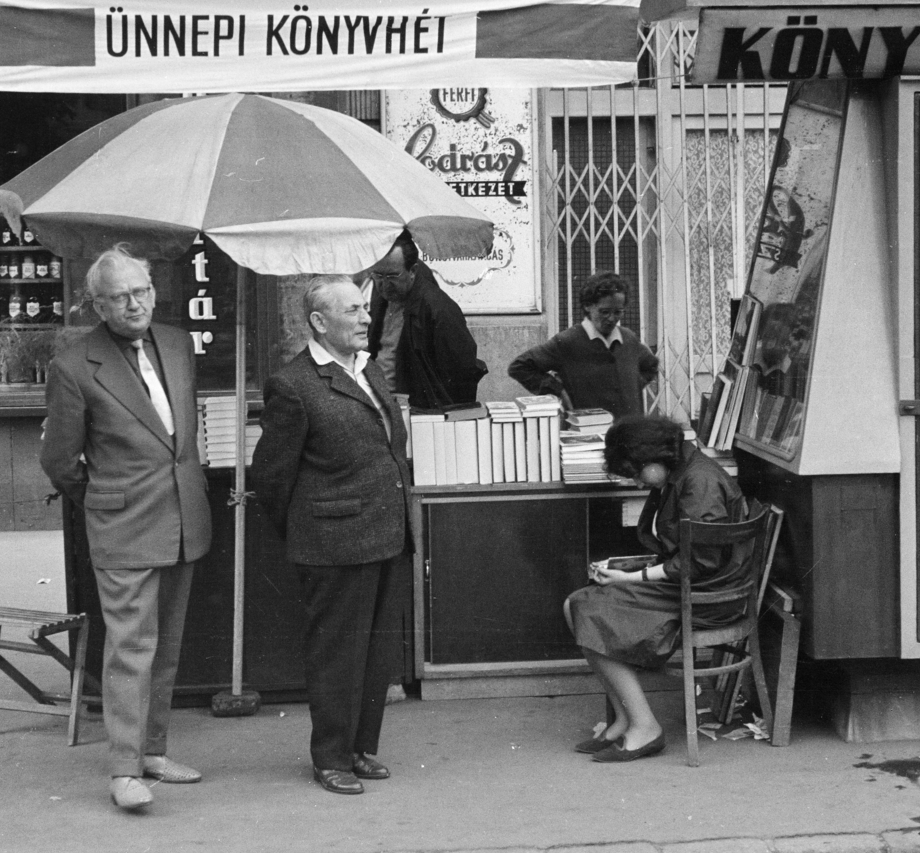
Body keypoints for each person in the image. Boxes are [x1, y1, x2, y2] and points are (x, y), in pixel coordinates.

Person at [40, 245, 211, 812]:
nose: (134, 303)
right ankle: (122, 772)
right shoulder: (73, 365)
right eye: (119, 296)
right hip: (123, 523)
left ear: (154, 291)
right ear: (97, 305)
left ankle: (153, 753)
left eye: (141, 292)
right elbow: (60, 460)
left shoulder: (178, 343)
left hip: (184, 515)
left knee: (166, 646)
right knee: (130, 650)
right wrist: (105, 499)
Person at [254, 275, 411, 795]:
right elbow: (272, 477)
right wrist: (311, 530)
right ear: (319, 322)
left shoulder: (368, 370)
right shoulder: (294, 384)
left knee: (375, 653)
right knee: (337, 654)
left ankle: (360, 748)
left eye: (366, 308)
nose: (367, 318)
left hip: (386, 533)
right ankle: (330, 758)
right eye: (353, 311)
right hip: (332, 542)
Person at [563, 414, 751, 763]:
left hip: (708, 596)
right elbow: (686, 552)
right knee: (576, 603)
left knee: (585, 606)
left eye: (635, 472)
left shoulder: (700, 484)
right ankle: (625, 718)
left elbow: (698, 562)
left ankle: (645, 727)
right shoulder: (683, 472)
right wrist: (625, 568)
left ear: (655, 459)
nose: (635, 482)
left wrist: (630, 577)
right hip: (696, 584)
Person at [508, 272, 659, 417]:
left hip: (629, 430)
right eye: (604, 312)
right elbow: (520, 367)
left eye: (618, 312)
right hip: (587, 432)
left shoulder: (628, 339)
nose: (612, 319)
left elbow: (650, 365)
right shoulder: (568, 341)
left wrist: (630, 387)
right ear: (588, 306)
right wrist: (557, 389)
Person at [365, 232, 486, 409]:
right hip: (380, 402)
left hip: (418, 410)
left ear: (412, 271)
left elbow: (462, 373)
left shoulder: (439, 309)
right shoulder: (380, 295)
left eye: (392, 277)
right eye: (378, 276)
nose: (384, 285)